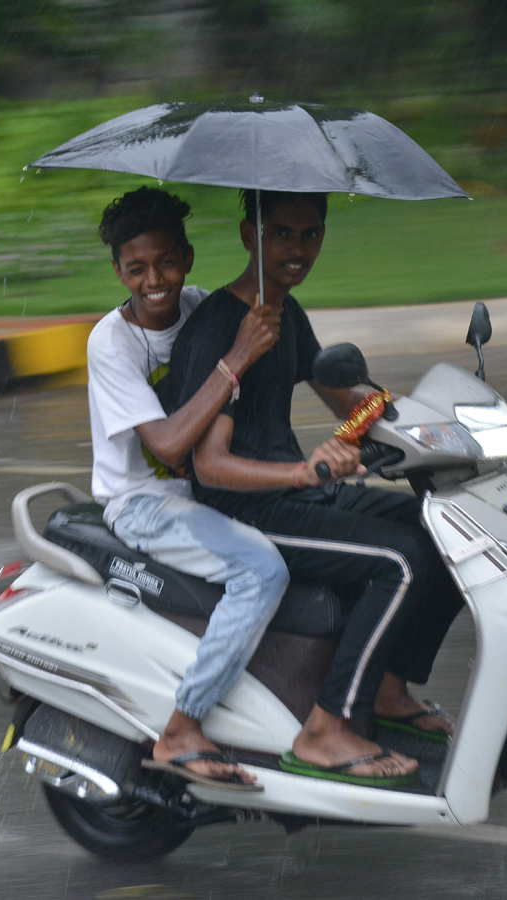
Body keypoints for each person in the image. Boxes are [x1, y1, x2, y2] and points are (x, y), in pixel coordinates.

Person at [165, 189, 462, 785]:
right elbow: (209, 466)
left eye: (310, 235)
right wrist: (304, 471)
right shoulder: (224, 327)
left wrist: (426, 417)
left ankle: (385, 688)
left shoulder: (286, 315)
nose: (297, 249)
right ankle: (326, 728)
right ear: (250, 236)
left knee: (447, 532)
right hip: (248, 510)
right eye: (281, 234)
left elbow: (348, 400)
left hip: (297, 494)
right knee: (400, 563)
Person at [87, 186, 288, 787]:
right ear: (118, 271)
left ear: (189, 258)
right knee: (262, 570)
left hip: (207, 492)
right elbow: (170, 445)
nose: (155, 280)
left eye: (167, 262)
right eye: (137, 268)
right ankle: (182, 725)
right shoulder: (111, 342)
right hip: (144, 504)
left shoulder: (205, 310)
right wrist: (236, 358)